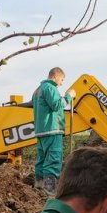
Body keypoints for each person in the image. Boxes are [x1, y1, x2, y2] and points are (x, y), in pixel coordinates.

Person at [32, 66, 76, 196]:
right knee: (53, 159)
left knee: (42, 159)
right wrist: (69, 96)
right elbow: (57, 105)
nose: (62, 83)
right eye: (62, 79)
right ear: (55, 76)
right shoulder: (50, 88)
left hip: (41, 131)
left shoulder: (37, 90)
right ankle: (50, 191)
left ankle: (39, 186)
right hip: (52, 129)